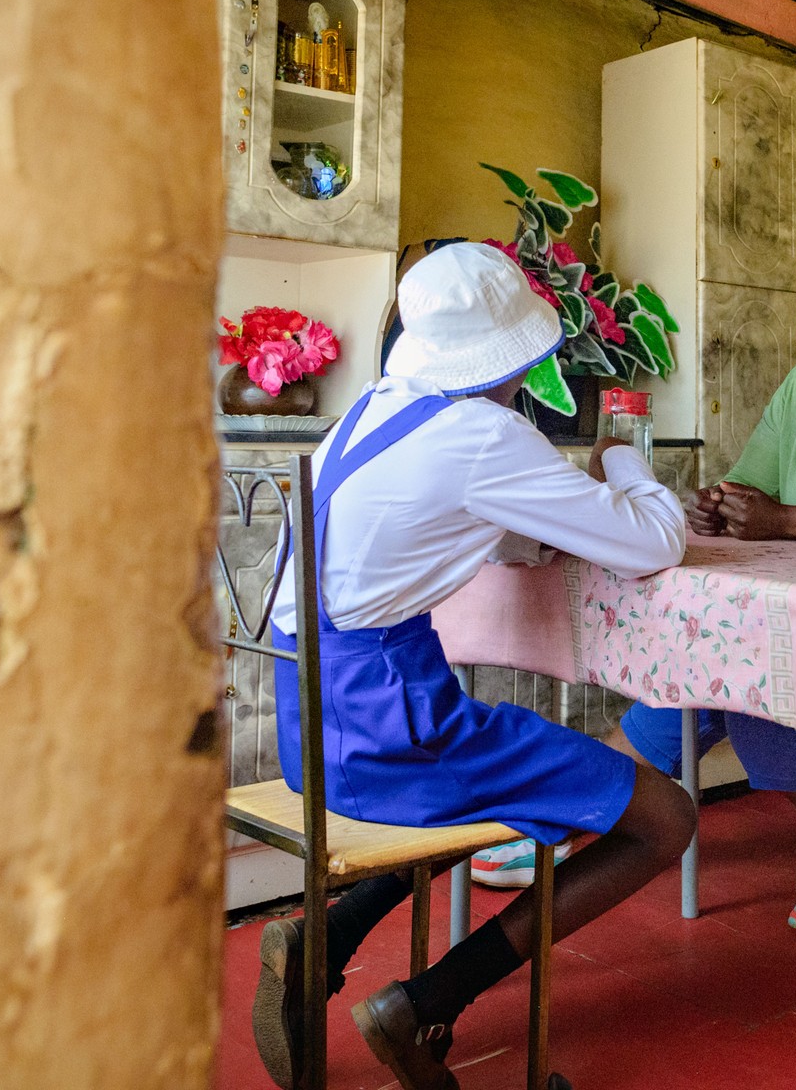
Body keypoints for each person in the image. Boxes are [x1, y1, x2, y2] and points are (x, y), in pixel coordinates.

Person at [256, 243, 696, 1090]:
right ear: (512, 358)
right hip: (394, 732)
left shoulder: (369, 413)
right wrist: (620, 456)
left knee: (516, 786)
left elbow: (486, 531)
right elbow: (654, 542)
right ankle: (425, 1003)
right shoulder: (479, 435)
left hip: (313, 720)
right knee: (664, 817)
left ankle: (332, 937)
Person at [477, 240, 796, 938]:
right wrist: (723, 504)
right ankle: (568, 814)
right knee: (707, 657)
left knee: (748, 664)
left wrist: (779, 519)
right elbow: (755, 485)